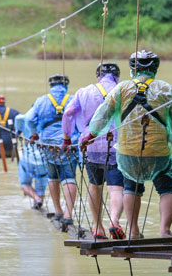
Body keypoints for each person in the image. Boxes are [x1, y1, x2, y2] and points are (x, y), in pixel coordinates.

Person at [86, 50, 172, 238]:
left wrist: (91, 135)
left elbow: (103, 114)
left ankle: (133, 231)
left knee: (132, 187)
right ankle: (165, 230)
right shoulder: (166, 89)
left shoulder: (122, 88)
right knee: (168, 188)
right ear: (156, 67)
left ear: (132, 67)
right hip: (159, 150)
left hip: (128, 150)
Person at [63, 62, 125, 240]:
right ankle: (114, 221)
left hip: (90, 144)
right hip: (118, 146)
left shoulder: (84, 91)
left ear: (98, 75)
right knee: (115, 189)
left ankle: (98, 227)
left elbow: (68, 113)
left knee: (95, 186)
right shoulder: (124, 90)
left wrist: (67, 138)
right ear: (117, 76)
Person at [25, 74, 78, 229]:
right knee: (69, 177)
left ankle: (58, 211)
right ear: (65, 85)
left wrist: (34, 134)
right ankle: (69, 214)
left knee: (53, 176)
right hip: (69, 143)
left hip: (48, 144)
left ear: (51, 86)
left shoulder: (41, 100)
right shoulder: (73, 99)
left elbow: (29, 119)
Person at [15, 114, 49, 210]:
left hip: (28, 158)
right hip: (44, 160)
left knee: (24, 183)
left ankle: (36, 198)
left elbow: (18, 117)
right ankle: (39, 203)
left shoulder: (28, 121)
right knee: (41, 186)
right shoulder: (48, 122)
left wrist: (18, 130)